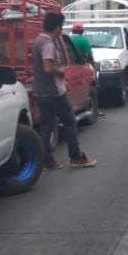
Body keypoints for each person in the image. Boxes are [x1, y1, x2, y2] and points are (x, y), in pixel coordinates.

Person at [32, 12, 97, 169]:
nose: (61, 31)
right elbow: (48, 68)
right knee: (69, 122)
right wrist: (60, 72)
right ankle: (76, 157)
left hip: (40, 91)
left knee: (47, 126)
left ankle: (47, 159)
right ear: (57, 27)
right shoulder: (48, 43)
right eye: (60, 27)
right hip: (54, 92)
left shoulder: (37, 40)